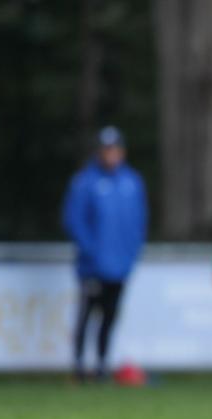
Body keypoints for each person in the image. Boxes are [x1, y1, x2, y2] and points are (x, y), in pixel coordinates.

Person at [62, 126, 147, 381]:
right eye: (107, 149)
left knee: (109, 317)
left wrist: (132, 253)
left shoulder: (132, 181)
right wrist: (91, 252)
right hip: (92, 265)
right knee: (87, 315)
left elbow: (139, 222)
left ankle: (101, 365)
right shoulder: (85, 181)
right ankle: (78, 365)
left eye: (116, 149)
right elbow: (74, 219)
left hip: (120, 264)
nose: (112, 154)